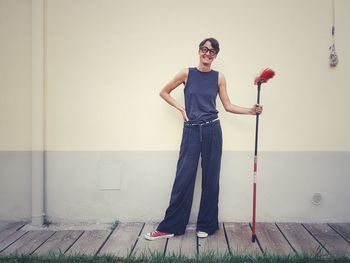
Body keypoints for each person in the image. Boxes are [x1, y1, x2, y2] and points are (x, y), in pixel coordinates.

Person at [145, 38, 262, 240]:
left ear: (216, 55)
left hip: (212, 130)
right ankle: (170, 226)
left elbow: (227, 105)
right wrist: (181, 108)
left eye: (212, 51)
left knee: (211, 179)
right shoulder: (186, 73)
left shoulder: (219, 78)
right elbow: (163, 92)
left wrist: (250, 111)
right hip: (191, 130)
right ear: (199, 51)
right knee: (183, 179)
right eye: (204, 49)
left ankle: (207, 225)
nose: (208, 53)